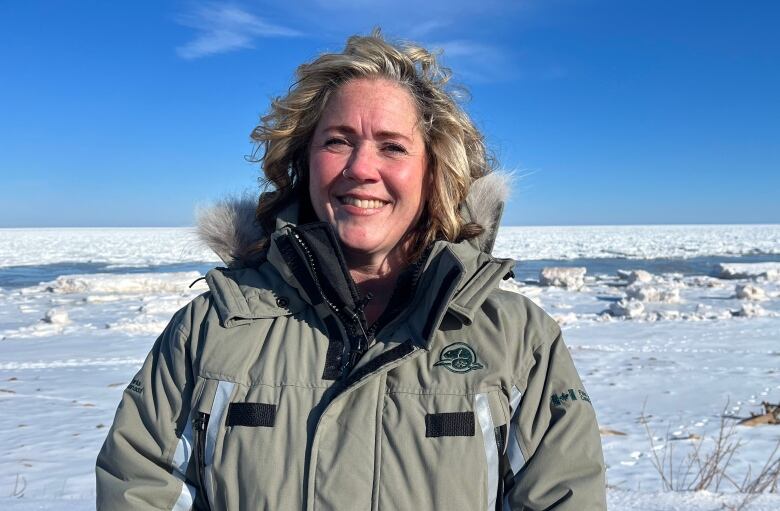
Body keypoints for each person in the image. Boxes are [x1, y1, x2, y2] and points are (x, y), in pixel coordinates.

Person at [96, 31, 606, 510]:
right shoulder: (210, 330)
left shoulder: (518, 341)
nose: (361, 168)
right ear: (303, 161)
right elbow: (139, 485)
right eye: (337, 141)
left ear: (433, 170)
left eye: (392, 146)